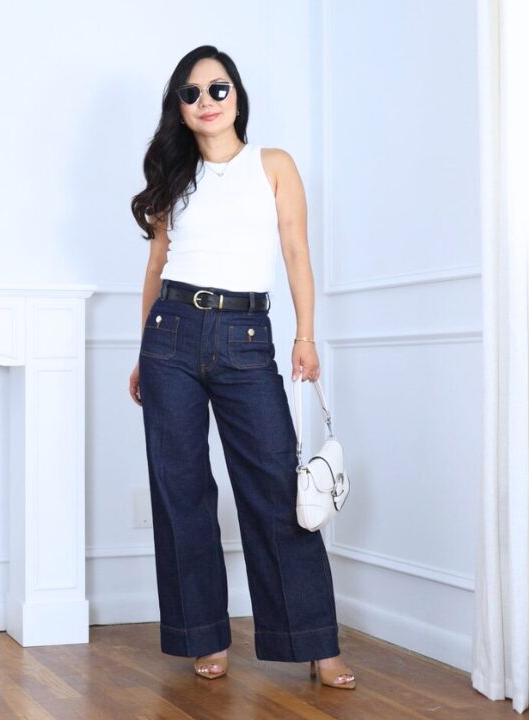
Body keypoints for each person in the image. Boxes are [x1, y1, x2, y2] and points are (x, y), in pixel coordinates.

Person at [129, 45, 356, 690]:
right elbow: (155, 267)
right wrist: (142, 351)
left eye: (217, 88)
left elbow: (296, 251)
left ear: (237, 96)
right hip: (170, 335)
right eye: (191, 93)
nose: (206, 101)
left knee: (275, 488)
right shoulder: (174, 178)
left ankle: (315, 642)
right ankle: (204, 634)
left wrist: (305, 335)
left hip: (247, 336)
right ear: (179, 108)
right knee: (180, 489)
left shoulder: (273, 165)